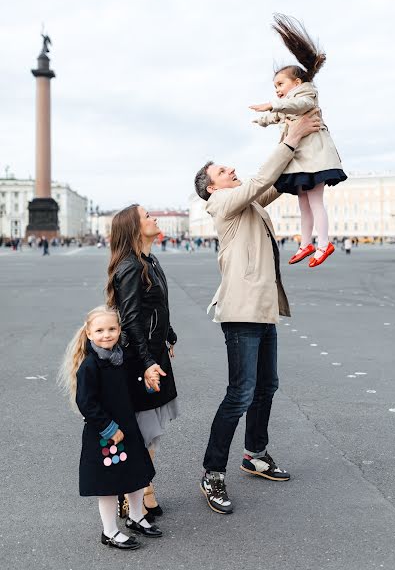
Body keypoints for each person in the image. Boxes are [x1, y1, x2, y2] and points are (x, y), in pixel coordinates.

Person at [194, 108, 320, 514]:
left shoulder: (247, 205)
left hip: (262, 311)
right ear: (211, 188)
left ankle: (255, 454)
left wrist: (295, 132)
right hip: (241, 312)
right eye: (222, 170)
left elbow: (275, 182)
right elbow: (262, 179)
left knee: (266, 387)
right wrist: (290, 138)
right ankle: (212, 473)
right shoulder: (223, 205)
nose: (231, 169)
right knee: (240, 394)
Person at [57, 305, 162, 550]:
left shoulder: (120, 359)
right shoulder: (90, 366)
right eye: (100, 330)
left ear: (119, 330)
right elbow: (86, 402)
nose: (107, 334)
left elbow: (130, 390)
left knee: (137, 476)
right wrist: (108, 428)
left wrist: (146, 385)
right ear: (89, 333)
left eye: (112, 329)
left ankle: (136, 518)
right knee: (109, 485)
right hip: (106, 435)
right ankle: (110, 531)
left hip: (128, 428)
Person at [250, 13, 347, 268]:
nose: (277, 89)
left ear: (297, 81)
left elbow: (296, 105)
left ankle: (324, 243)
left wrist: (272, 104)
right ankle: (306, 244)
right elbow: (281, 115)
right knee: (304, 203)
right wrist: (262, 118)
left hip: (315, 158)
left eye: (280, 84)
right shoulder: (289, 103)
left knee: (315, 201)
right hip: (303, 161)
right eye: (274, 87)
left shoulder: (306, 93)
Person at [106, 205, 178, 521]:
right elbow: (132, 318)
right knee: (144, 428)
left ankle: (143, 487)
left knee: (151, 429)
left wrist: (169, 334)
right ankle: (134, 491)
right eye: (147, 216)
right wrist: (147, 360)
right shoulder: (130, 267)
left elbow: (157, 304)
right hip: (140, 359)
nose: (154, 218)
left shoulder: (149, 260)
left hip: (153, 352)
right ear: (134, 228)